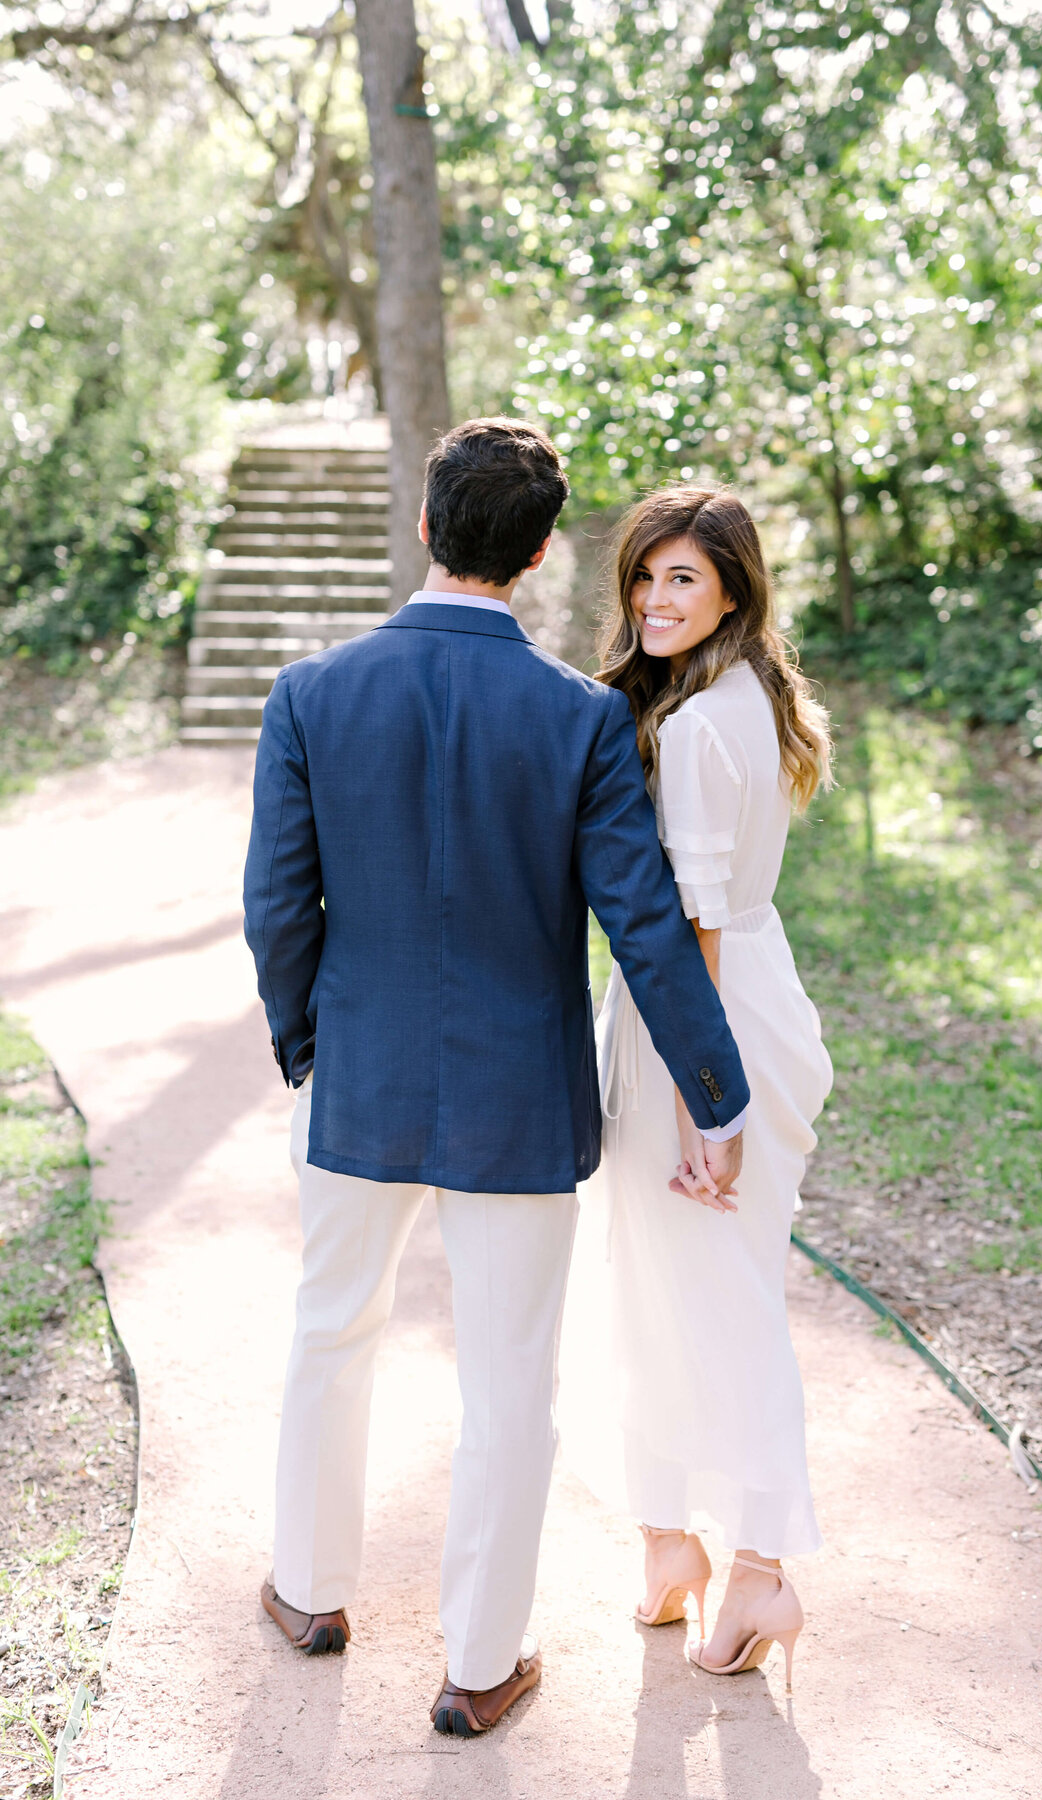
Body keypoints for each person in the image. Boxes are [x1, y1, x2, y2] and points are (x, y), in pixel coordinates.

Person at [242, 419, 750, 1738]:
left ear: (426, 527)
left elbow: (278, 912)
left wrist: (312, 1046)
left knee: (328, 1330)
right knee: (511, 1381)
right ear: (534, 555)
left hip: (358, 1079)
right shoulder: (581, 719)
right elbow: (644, 925)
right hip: (520, 1099)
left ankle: (309, 1591)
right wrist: (718, 1091)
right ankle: (479, 1665)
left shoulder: (311, 694)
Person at [557, 486, 834, 1695]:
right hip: (717, 1011)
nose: (658, 600)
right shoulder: (740, 696)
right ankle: (670, 1540)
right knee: (661, 1286)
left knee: (719, 1299)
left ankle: (763, 1563)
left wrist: (699, 1109)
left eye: (686, 579)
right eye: (645, 577)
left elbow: (699, 930)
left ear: (733, 588)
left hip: (699, 1032)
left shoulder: (704, 729)